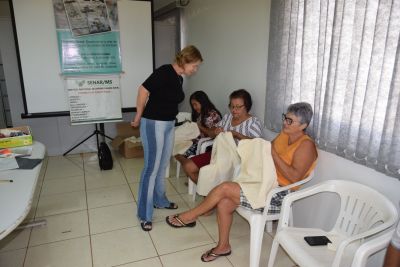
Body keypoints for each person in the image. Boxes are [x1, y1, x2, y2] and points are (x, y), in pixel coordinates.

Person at [166, 102, 318, 262]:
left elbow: (294, 177)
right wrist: (238, 136)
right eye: (285, 118)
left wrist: (273, 154)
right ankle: (223, 246)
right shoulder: (284, 135)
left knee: (224, 188)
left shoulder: (306, 145)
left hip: (279, 193)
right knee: (224, 202)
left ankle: (189, 216)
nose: (284, 123)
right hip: (264, 182)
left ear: (303, 125)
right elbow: (262, 149)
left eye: (290, 121)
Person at [131, 45, 203, 231]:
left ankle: (160, 200)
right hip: (153, 123)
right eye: (194, 66)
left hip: (168, 124)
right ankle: (144, 214)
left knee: (162, 166)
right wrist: (138, 115)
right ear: (185, 60)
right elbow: (143, 90)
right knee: (151, 169)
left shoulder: (178, 78)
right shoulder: (164, 71)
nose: (195, 70)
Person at [177, 89, 263, 184]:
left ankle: (214, 191)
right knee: (188, 166)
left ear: (247, 106)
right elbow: (211, 133)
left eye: (238, 107)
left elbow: (257, 144)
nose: (234, 110)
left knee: (213, 174)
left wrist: (237, 135)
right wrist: (215, 131)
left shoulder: (253, 122)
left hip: (237, 160)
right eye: (232, 106)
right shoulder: (227, 117)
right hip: (218, 153)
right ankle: (210, 191)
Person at [175, 90, 222, 159]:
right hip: (198, 140)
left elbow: (212, 134)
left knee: (180, 152)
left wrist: (198, 126)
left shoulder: (212, 115)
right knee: (177, 144)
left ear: (203, 102)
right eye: (192, 105)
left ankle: (189, 165)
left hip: (207, 144)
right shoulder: (201, 114)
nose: (194, 107)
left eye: (195, 104)